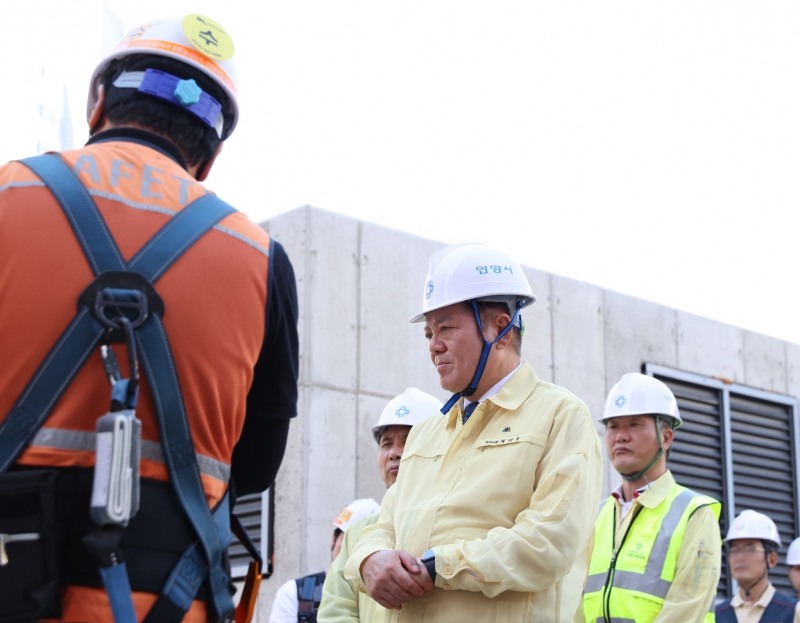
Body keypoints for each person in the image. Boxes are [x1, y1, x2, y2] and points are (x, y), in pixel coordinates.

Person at [0, 13, 299, 623]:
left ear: (98, 102)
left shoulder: (9, 195)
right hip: (162, 600)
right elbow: (256, 464)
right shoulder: (262, 260)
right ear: (211, 154)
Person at [344, 242, 604, 622]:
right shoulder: (426, 433)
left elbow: (548, 543)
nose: (434, 346)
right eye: (428, 333)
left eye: (446, 328)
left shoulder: (561, 417)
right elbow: (384, 526)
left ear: (500, 328)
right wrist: (370, 559)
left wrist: (439, 566)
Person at [580, 372, 722, 622]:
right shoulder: (596, 515)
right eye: (613, 426)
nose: (621, 436)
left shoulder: (695, 514)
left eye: (634, 424)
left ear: (666, 437)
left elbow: (687, 607)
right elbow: (575, 604)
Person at [318, 387, 442, 622]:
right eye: (386, 444)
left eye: (407, 441)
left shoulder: (454, 519)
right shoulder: (357, 532)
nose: (394, 453)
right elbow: (335, 611)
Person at [270, 498, 381, 623]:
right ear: (333, 539)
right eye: (347, 541)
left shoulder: (382, 600)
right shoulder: (294, 593)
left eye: (363, 547)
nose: (354, 554)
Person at [716, 509, 800, 622]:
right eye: (734, 550)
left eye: (750, 549)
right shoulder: (717, 614)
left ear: (772, 559)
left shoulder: (794, 611)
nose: (740, 557)